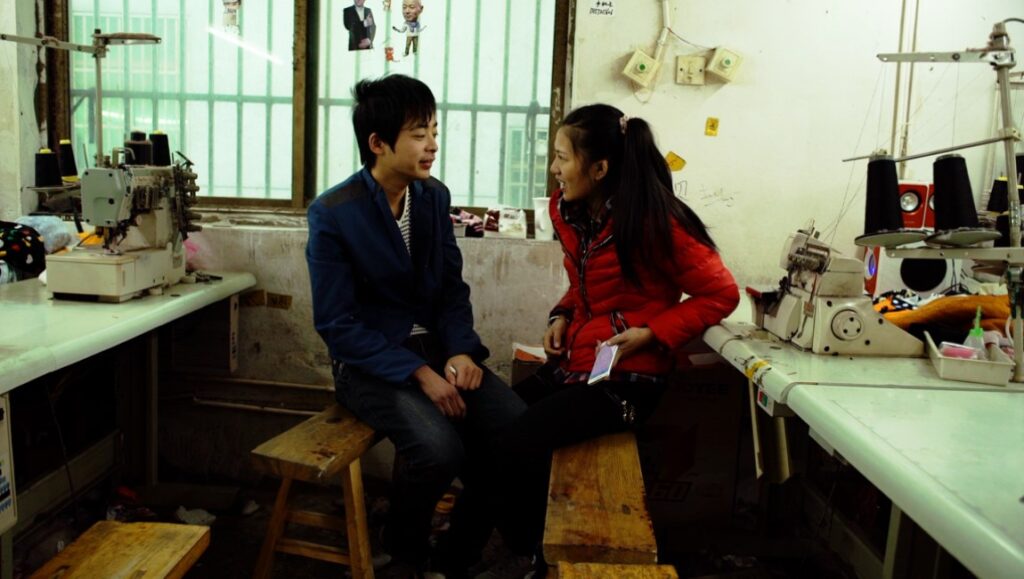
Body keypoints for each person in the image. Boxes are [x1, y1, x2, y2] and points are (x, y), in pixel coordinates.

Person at [451, 103, 741, 574]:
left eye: (563, 157)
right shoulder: (577, 214)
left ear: (600, 168)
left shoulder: (657, 221)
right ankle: (516, 547)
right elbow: (586, 286)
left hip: (629, 384)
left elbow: (720, 292)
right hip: (580, 367)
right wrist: (562, 313)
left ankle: (480, 558)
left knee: (512, 444)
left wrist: (652, 333)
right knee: (482, 431)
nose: (554, 169)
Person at [305, 74, 526, 577]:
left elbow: (450, 288)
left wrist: (462, 352)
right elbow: (337, 325)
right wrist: (417, 373)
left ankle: (458, 555)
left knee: (515, 430)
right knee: (437, 449)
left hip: (439, 351)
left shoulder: (432, 197)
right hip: (370, 365)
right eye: (419, 133)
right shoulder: (334, 213)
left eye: (434, 130)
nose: (433, 145)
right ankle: (404, 547)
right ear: (378, 143)